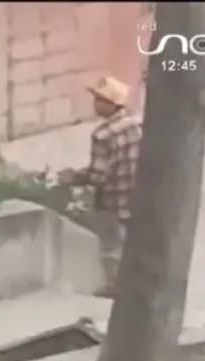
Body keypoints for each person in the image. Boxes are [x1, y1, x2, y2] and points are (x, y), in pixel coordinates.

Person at [57, 76, 143, 298]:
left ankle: (116, 285)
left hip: (113, 197)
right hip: (136, 192)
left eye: (98, 99)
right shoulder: (136, 123)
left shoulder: (102, 135)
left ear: (110, 104)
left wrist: (72, 177)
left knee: (111, 244)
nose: (94, 104)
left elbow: (97, 175)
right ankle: (136, 280)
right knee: (134, 239)